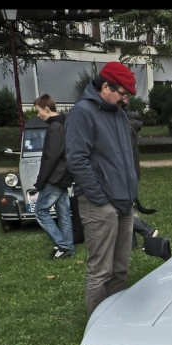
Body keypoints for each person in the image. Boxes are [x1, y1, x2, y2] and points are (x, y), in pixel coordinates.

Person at [65, 61, 139, 318]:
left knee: (120, 269)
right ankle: (97, 328)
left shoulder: (118, 114)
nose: (125, 101)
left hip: (124, 203)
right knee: (101, 271)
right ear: (105, 86)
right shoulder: (82, 113)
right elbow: (76, 160)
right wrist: (99, 200)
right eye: (123, 94)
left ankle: (115, 320)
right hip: (100, 206)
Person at [32, 94, 75, 259]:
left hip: (56, 177)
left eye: (38, 111)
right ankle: (68, 248)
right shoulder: (62, 125)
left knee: (40, 211)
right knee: (63, 212)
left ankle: (63, 246)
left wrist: (40, 181)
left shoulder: (55, 127)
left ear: (47, 109)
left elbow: (51, 157)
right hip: (63, 176)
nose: (38, 115)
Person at [125, 109, 160, 250]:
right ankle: (131, 243)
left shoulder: (125, 129)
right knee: (128, 209)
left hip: (125, 175)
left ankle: (148, 231)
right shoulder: (131, 129)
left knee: (123, 212)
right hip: (131, 174)